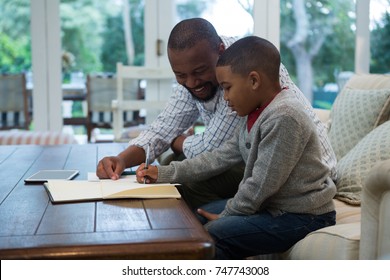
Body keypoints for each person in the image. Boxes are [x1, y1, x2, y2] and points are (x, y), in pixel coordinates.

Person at [96, 17, 336, 209]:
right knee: (170, 163)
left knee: (181, 180)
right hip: (249, 157)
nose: (191, 82)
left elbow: (211, 150)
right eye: (180, 75)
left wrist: (178, 142)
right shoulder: (194, 69)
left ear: (220, 51)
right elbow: (164, 127)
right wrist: (121, 159)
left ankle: (187, 242)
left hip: (300, 172)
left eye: (199, 71)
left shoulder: (245, 68)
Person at [135, 36, 337, 259]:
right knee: (194, 218)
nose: (225, 98)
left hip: (302, 216)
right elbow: (217, 158)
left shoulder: (285, 116)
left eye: (227, 88)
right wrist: (164, 174)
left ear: (253, 81)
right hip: (274, 207)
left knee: (214, 235)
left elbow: (260, 184)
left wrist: (228, 215)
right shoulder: (254, 113)